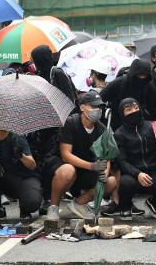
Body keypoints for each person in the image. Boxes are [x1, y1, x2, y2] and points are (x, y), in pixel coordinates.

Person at [42, 92, 117, 220]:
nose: (97, 110)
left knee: (110, 182)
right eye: (93, 106)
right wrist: (92, 166)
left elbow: (105, 157)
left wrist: (104, 172)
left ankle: (79, 204)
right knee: (68, 170)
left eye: (100, 107)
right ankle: (53, 206)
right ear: (82, 107)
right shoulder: (71, 122)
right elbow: (66, 155)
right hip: (61, 166)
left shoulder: (102, 129)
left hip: (85, 168)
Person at [0, 129, 42, 221]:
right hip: (6, 176)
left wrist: (21, 156)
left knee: (32, 204)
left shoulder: (17, 138)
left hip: (24, 178)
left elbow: (32, 165)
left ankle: (24, 207)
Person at [100, 59, 156, 130]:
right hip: (118, 126)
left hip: (139, 126)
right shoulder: (119, 83)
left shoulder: (148, 85)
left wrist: (155, 126)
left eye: (144, 76)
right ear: (133, 74)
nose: (141, 79)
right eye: (139, 76)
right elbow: (100, 99)